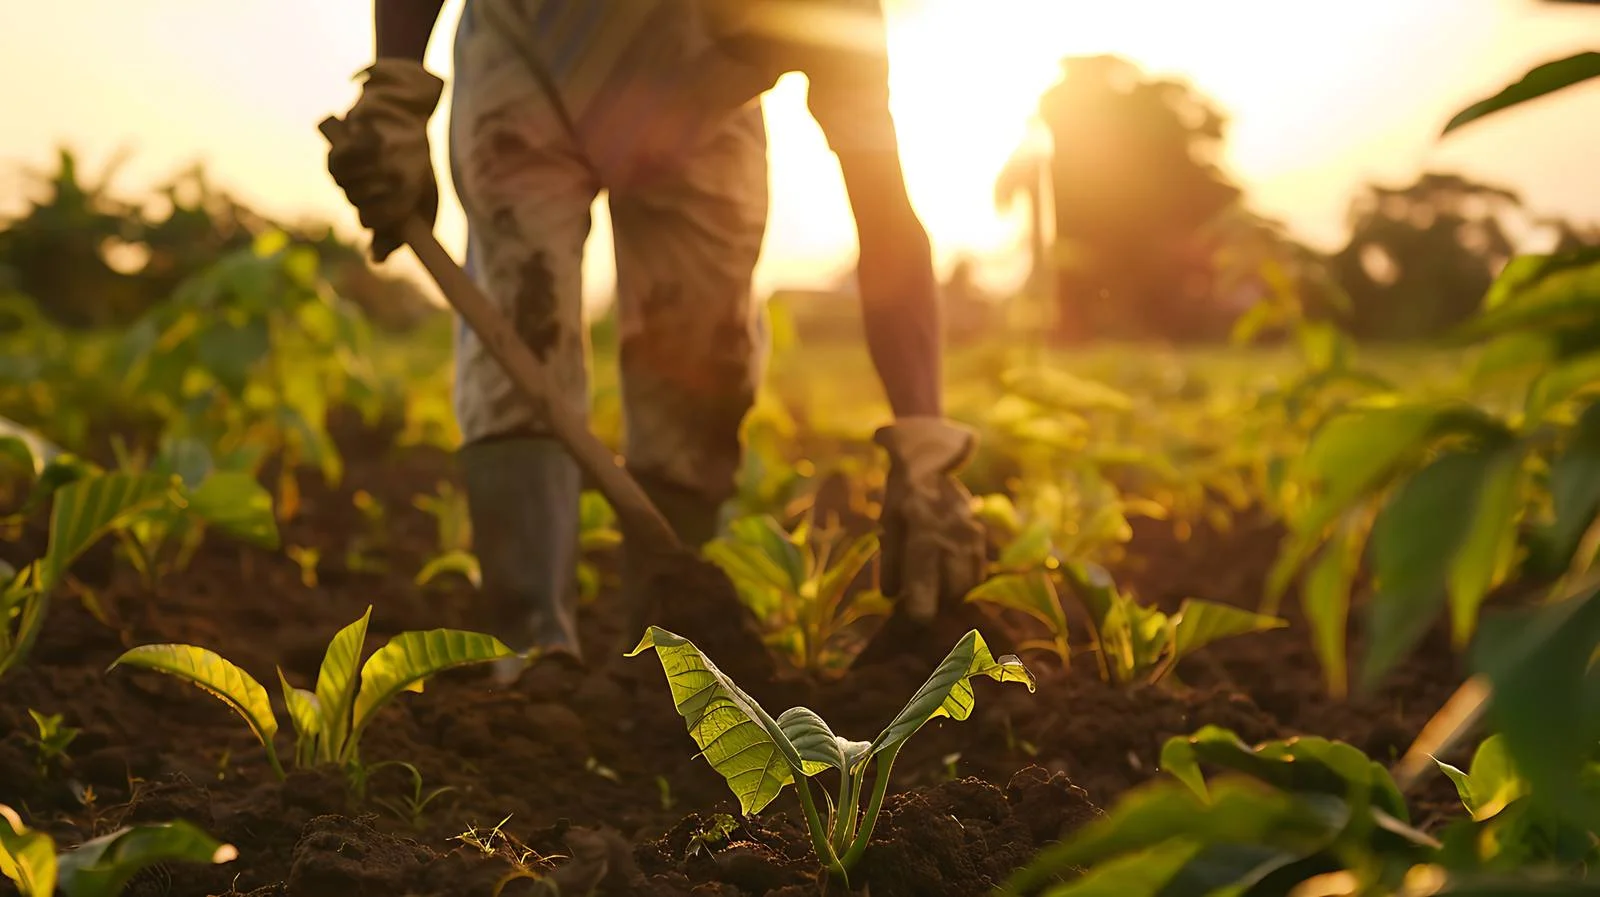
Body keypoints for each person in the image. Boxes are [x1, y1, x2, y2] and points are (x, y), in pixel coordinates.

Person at [324, 0, 986, 679]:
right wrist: (396, 86)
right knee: (525, 311)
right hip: (530, 49)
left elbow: (886, 223)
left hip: (702, 115)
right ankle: (531, 652)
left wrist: (924, 439)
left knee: (702, 360)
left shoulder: (839, 22)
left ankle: (666, 651)